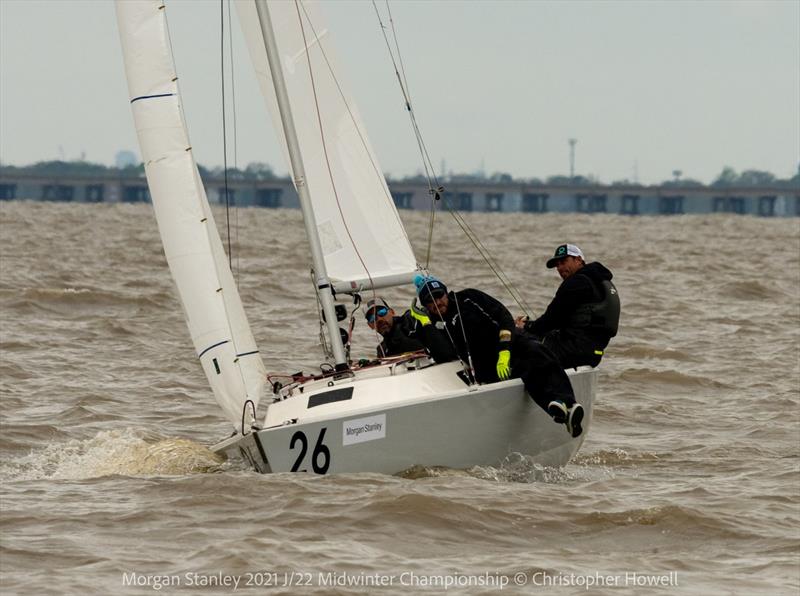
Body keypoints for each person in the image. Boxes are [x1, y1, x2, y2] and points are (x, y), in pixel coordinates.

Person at [411, 275, 584, 437]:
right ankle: (557, 409)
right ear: (425, 305)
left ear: (446, 293)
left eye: (439, 295)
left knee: (537, 351)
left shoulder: (468, 297)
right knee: (526, 369)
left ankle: (567, 403)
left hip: (508, 343)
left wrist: (504, 350)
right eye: (429, 300)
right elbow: (445, 355)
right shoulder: (432, 325)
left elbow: (504, 316)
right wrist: (425, 324)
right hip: (486, 364)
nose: (437, 302)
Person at [517, 244, 620, 370]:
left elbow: (551, 320)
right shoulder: (599, 281)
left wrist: (526, 326)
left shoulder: (576, 282)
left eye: (564, 261)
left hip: (571, 351)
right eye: (557, 265)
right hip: (593, 353)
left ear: (578, 260)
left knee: (514, 336)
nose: (560, 268)